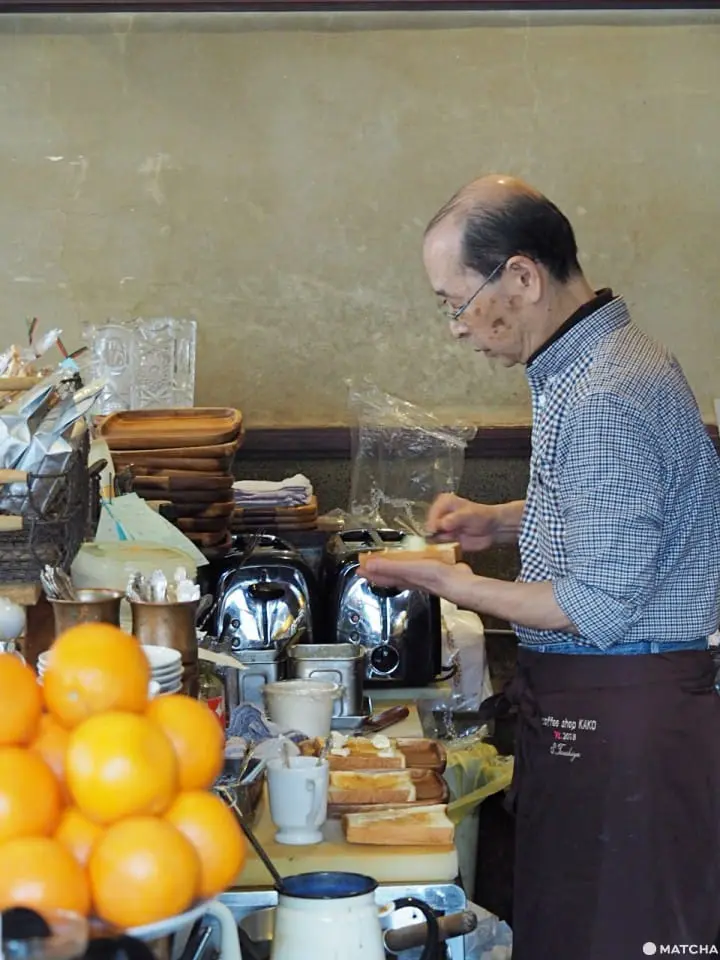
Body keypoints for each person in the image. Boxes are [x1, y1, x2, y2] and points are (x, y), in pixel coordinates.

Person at [364, 174, 720, 960]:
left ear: (521, 277)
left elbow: (597, 603)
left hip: (627, 720)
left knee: (617, 941)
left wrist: (452, 582)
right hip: (614, 711)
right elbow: (626, 518)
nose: (457, 328)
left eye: (454, 302)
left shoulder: (604, 394)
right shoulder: (599, 364)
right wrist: (497, 520)